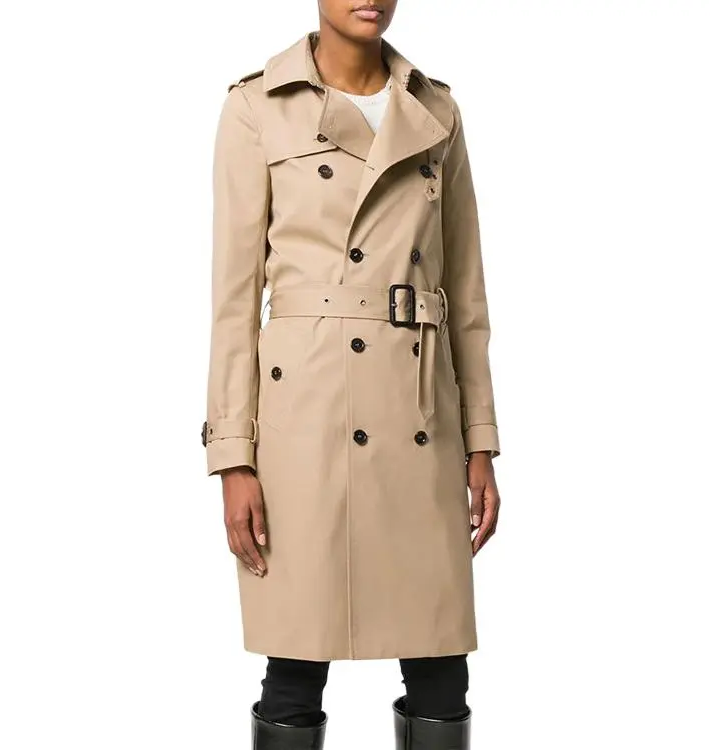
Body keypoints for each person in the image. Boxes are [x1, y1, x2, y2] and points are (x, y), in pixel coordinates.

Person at [201, 2, 502, 747]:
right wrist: (233, 457)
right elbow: (234, 303)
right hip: (304, 420)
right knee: (294, 666)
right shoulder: (256, 107)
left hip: (418, 415)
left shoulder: (437, 111)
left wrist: (481, 441)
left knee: (441, 666)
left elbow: (466, 297)